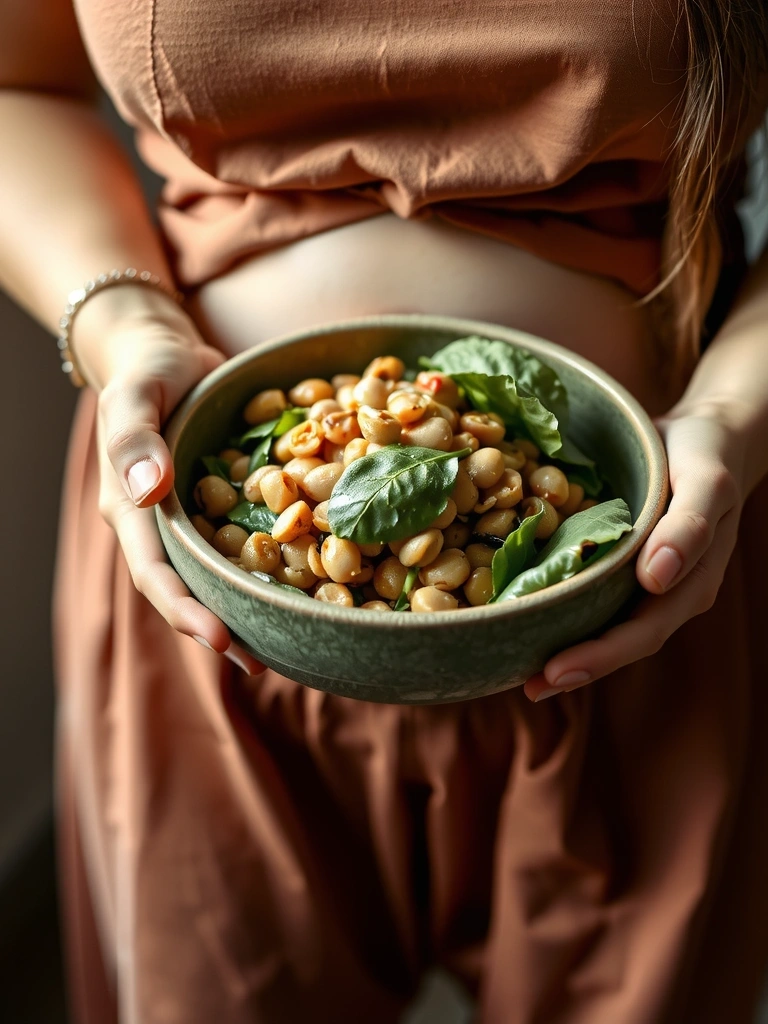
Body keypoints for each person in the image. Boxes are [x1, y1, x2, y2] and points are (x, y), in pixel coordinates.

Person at [2, 1, 768, 1021]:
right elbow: (16, 83)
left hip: (646, 600)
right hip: (216, 628)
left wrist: (733, 411)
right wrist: (122, 322)